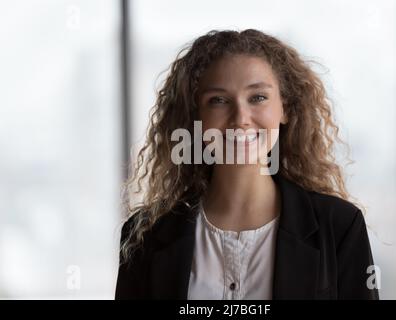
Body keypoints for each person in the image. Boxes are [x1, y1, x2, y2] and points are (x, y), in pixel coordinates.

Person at [115, 29, 379, 300]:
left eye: (258, 97)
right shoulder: (145, 235)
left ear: (285, 108)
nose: (240, 117)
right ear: (196, 116)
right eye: (218, 100)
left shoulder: (339, 227)